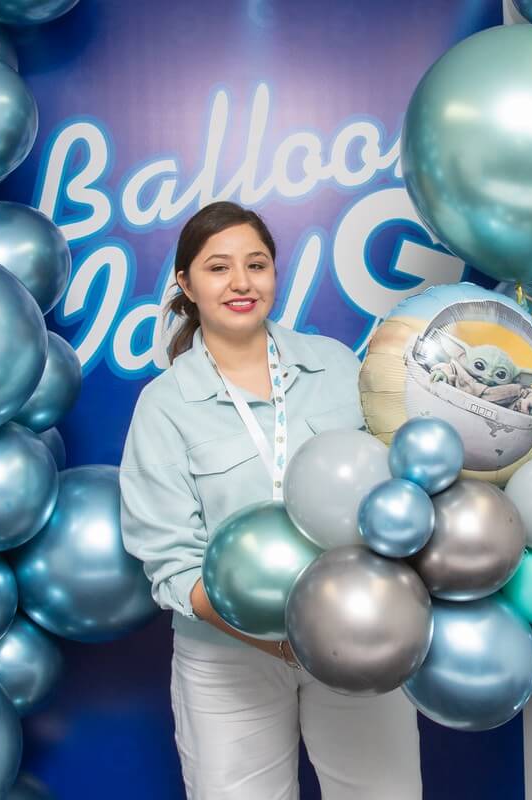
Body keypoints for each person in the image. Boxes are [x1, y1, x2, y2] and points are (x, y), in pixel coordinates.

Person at [120, 201, 422, 799]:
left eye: (256, 265)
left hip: (357, 635)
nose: (241, 282)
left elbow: (395, 492)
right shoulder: (164, 405)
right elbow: (172, 562)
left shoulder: (336, 366)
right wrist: (278, 638)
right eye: (218, 268)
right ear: (186, 284)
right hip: (227, 657)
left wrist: (335, 630)